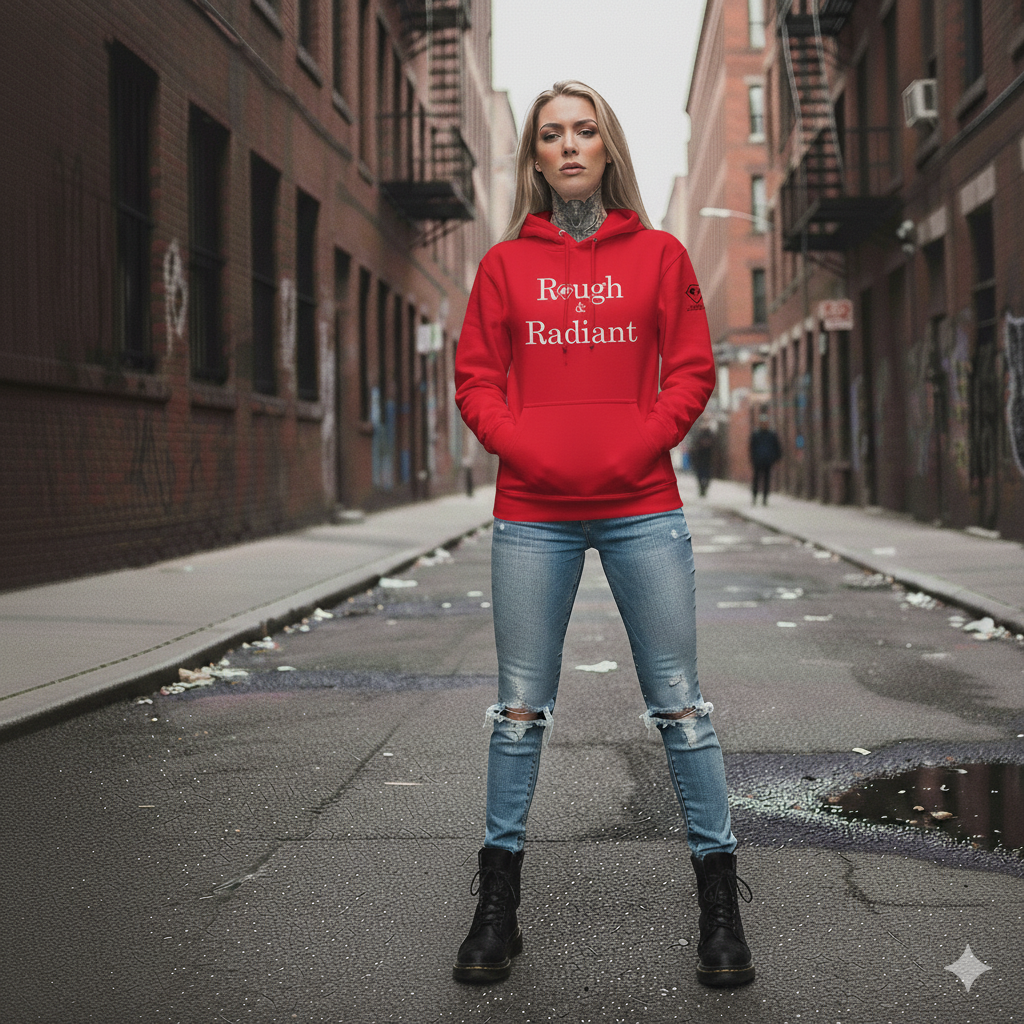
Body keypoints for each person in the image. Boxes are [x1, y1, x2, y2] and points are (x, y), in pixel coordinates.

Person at [452, 80, 754, 989]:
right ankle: (497, 909)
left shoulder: (661, 256)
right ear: (536, 157)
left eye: (585, 130)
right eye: (552, 134)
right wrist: (528, 449)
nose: (570, 145)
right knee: (518, 711)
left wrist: (632, 444)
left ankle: (720, 906)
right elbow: (475, 380)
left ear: (608, 146)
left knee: (681, 707)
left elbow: (691, 372)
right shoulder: (504, 265)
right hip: (531, 512)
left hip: (641, 505)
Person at [749, 413, 782, 506]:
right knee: (756, 479)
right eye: (762, 422)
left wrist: (776, 458)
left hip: (768, 461)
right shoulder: (756, 434)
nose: (764, 424)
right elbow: (752, 447)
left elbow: (777, 447)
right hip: (758, 461)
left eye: (765, 422)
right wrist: (753, 458)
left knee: (766, 480)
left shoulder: (772, 434)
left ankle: (765, 498)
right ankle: (754, 497)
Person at [691, 426, 715, 497]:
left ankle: (704, 488)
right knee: (701, 475)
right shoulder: (699, 435)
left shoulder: (710, 435)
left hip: (707, 460)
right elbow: (694, 448)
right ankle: (702, 488)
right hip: (701, 460)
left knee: (706, 475)